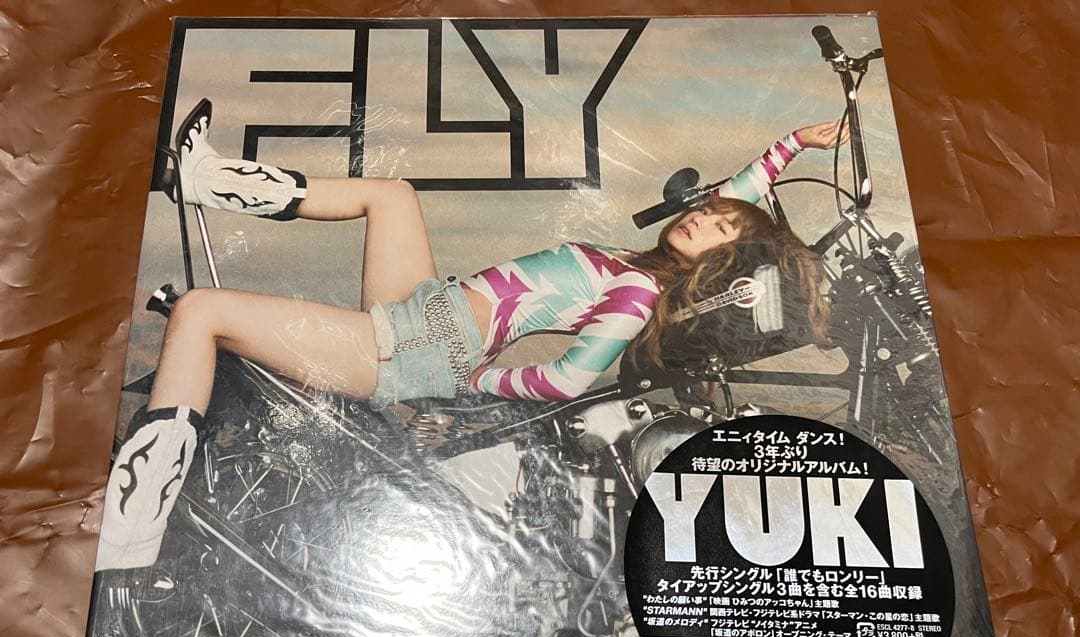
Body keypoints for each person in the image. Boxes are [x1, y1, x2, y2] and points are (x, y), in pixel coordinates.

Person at [94, 98, 845, 571]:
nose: (702, 217)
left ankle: (132, 529)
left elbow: (568, 379)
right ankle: (202, 179)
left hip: (412, 349)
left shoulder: (637, 289)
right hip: (420, 309)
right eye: (706, 210)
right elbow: (740, 201)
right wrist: (794, 143)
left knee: (200, 311)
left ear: (721, 262)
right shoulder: (635, 258)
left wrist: (480, 380)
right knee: (394, 195)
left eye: (717, 229)